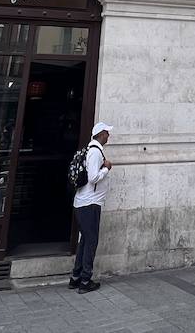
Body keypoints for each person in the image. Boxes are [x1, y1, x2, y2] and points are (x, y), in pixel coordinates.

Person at [70, 121, 113, 293]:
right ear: (101, 134)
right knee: (91, 241)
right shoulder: (95, 152)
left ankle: (76, 277)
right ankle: (86, 280)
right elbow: (93, 178)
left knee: (85, 241)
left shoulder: (90, 150)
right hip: (89, 204)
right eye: (107, 133)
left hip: (83, 203)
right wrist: (107, 169)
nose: (108, 136)